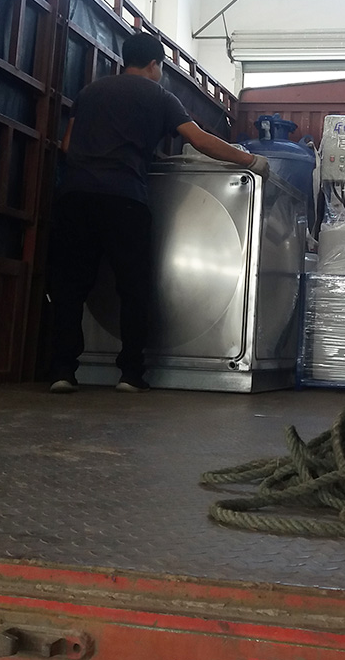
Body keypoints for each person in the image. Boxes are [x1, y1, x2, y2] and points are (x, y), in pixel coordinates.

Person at [47, 32, 268, 394]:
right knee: (132, 287)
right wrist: (250, 160)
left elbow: (67, 144)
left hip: (76, 196)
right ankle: (130, 374)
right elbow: (199, 140)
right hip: (124, 199)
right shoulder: (160, 96)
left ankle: (62, 371)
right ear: (154, 65)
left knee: (70, 287)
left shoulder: (90, 92)